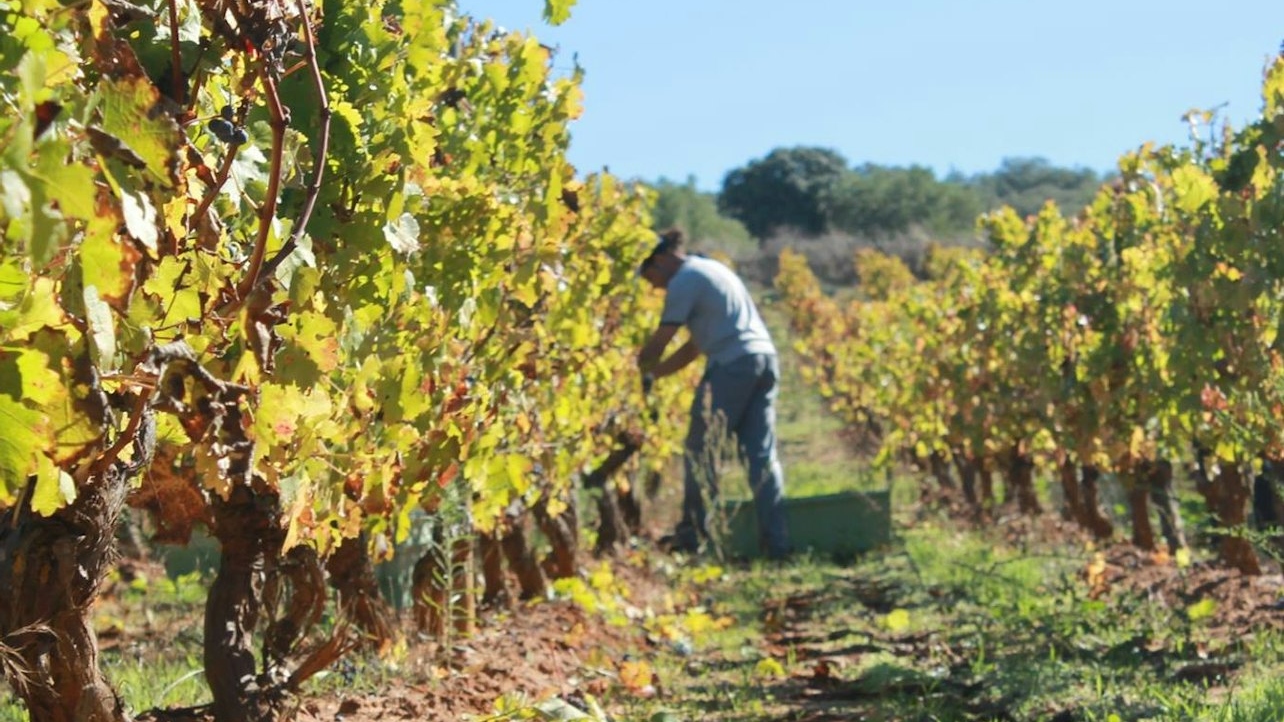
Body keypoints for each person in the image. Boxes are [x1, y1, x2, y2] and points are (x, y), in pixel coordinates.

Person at [637, 228, 790, 559]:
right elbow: (693, 348)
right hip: (763, 359)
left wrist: (634, 369)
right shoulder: (712, 269)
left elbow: (662, 339)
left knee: (700, 451)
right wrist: (654, 375)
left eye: (650, 278)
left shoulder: (684, 280)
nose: (654, 288)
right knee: (761, 456)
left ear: (660, 260)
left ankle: (694, 537)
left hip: (732, 365)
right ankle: (776, 545)